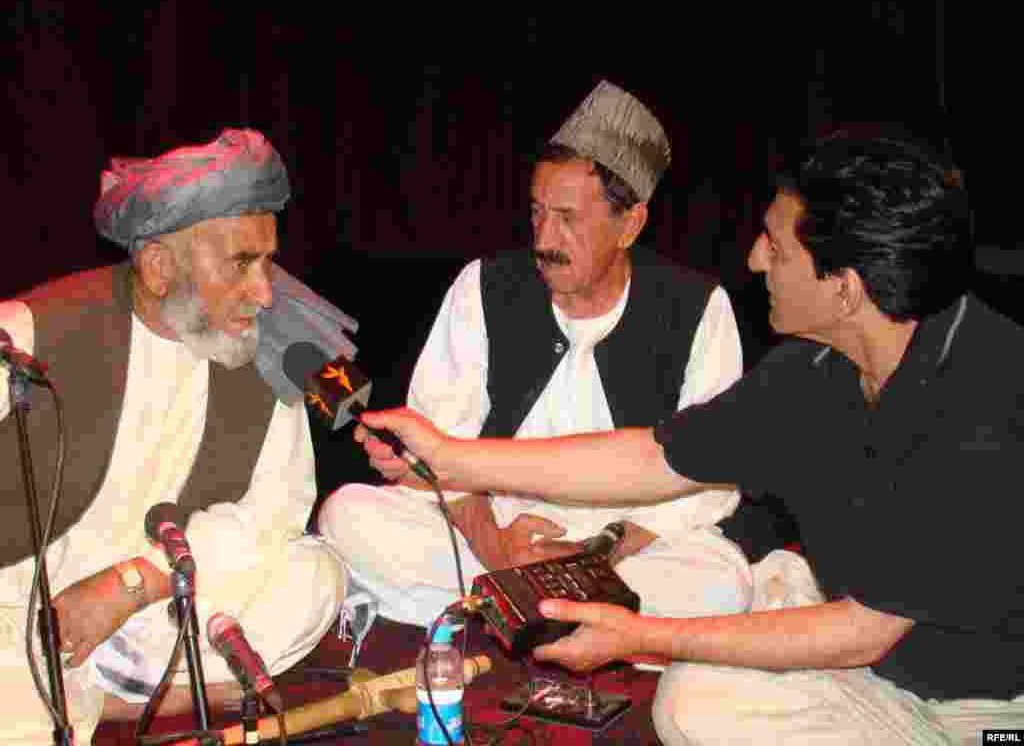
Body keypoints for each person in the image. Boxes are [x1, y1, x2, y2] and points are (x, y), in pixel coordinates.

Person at [355, 130, 1024, 744]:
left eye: (777, 246)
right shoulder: (817, 365)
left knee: (709, 635)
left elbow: (859, 632)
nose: (756, 260)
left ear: (845, 289)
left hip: (979, 708)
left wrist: (635, 633)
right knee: (694, 698)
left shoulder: (985, 406)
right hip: (873, 671)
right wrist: (451, 459)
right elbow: (657, 457)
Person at [318, 80, 764, 628]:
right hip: (497, 527)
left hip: (627, 540)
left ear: (631, 224)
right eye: (537, 213)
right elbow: (441, 452)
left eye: (568, 218)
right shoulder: (484, 286)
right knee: (348, 515)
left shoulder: (696, 306)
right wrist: (497, 548)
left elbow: (706, 482)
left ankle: (503, 609)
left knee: (720, 580)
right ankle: (562, 613)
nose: (544, 237)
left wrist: (601, 551)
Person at [0, 129, 347, 746]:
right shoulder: (34, 330)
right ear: (160, 266)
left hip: (155, 608)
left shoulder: (265, 352)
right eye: (242, 263)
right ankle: (133, 697)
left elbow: (273, 514)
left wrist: (136, 581)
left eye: (268, 261)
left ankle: (99, 696)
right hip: (36, 615)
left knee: (313, 574)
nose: (266, 292)